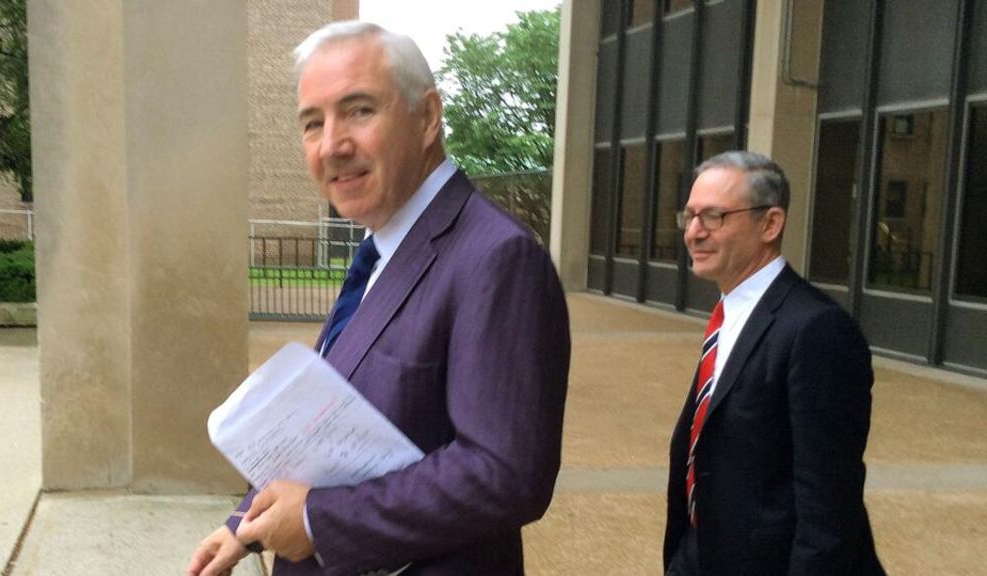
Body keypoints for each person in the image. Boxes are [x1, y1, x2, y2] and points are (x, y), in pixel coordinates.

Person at [186, 21, 570, 576]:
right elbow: (328, 423)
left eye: (360, 110)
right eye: (312, 123)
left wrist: (320, 521)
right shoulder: (382, 244)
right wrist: (245, 525)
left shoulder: (497, 258)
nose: (333, 145)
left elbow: (505, 473)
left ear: (428, 117)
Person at [663, 151, 886, 575]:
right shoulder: (729, 316)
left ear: (770, 223)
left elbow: (827, 510)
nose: (694, 232)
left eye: (714, 216)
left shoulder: (818, 331)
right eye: (689, 216)